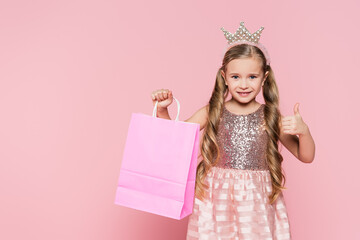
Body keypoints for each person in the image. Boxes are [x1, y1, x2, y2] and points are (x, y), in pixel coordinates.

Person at [151, 21, 315, 240]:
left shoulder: (270, 116)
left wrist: (304, 132)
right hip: (215, 198)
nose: (244, 84)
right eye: (236, 77)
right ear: (224, 77)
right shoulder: (213, 111)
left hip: (255, 200)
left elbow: (306, 156)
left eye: (252, 77)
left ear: (264, 78)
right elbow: (175, 139)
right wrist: (163, 110)